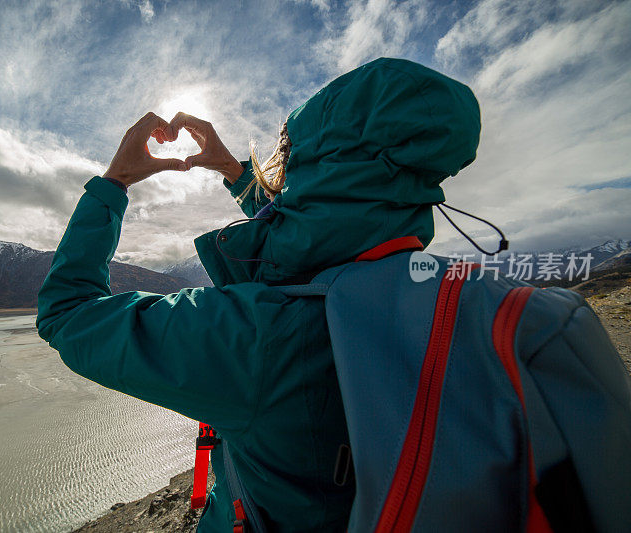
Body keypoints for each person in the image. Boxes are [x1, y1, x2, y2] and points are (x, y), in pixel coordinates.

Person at [36, 57, 481, 532]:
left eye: (289, 155)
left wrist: (113, 183)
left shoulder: (259, 337)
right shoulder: (454, 296)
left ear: (311, 169)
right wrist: (233, 170)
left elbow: (67, 311)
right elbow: (325, 231)